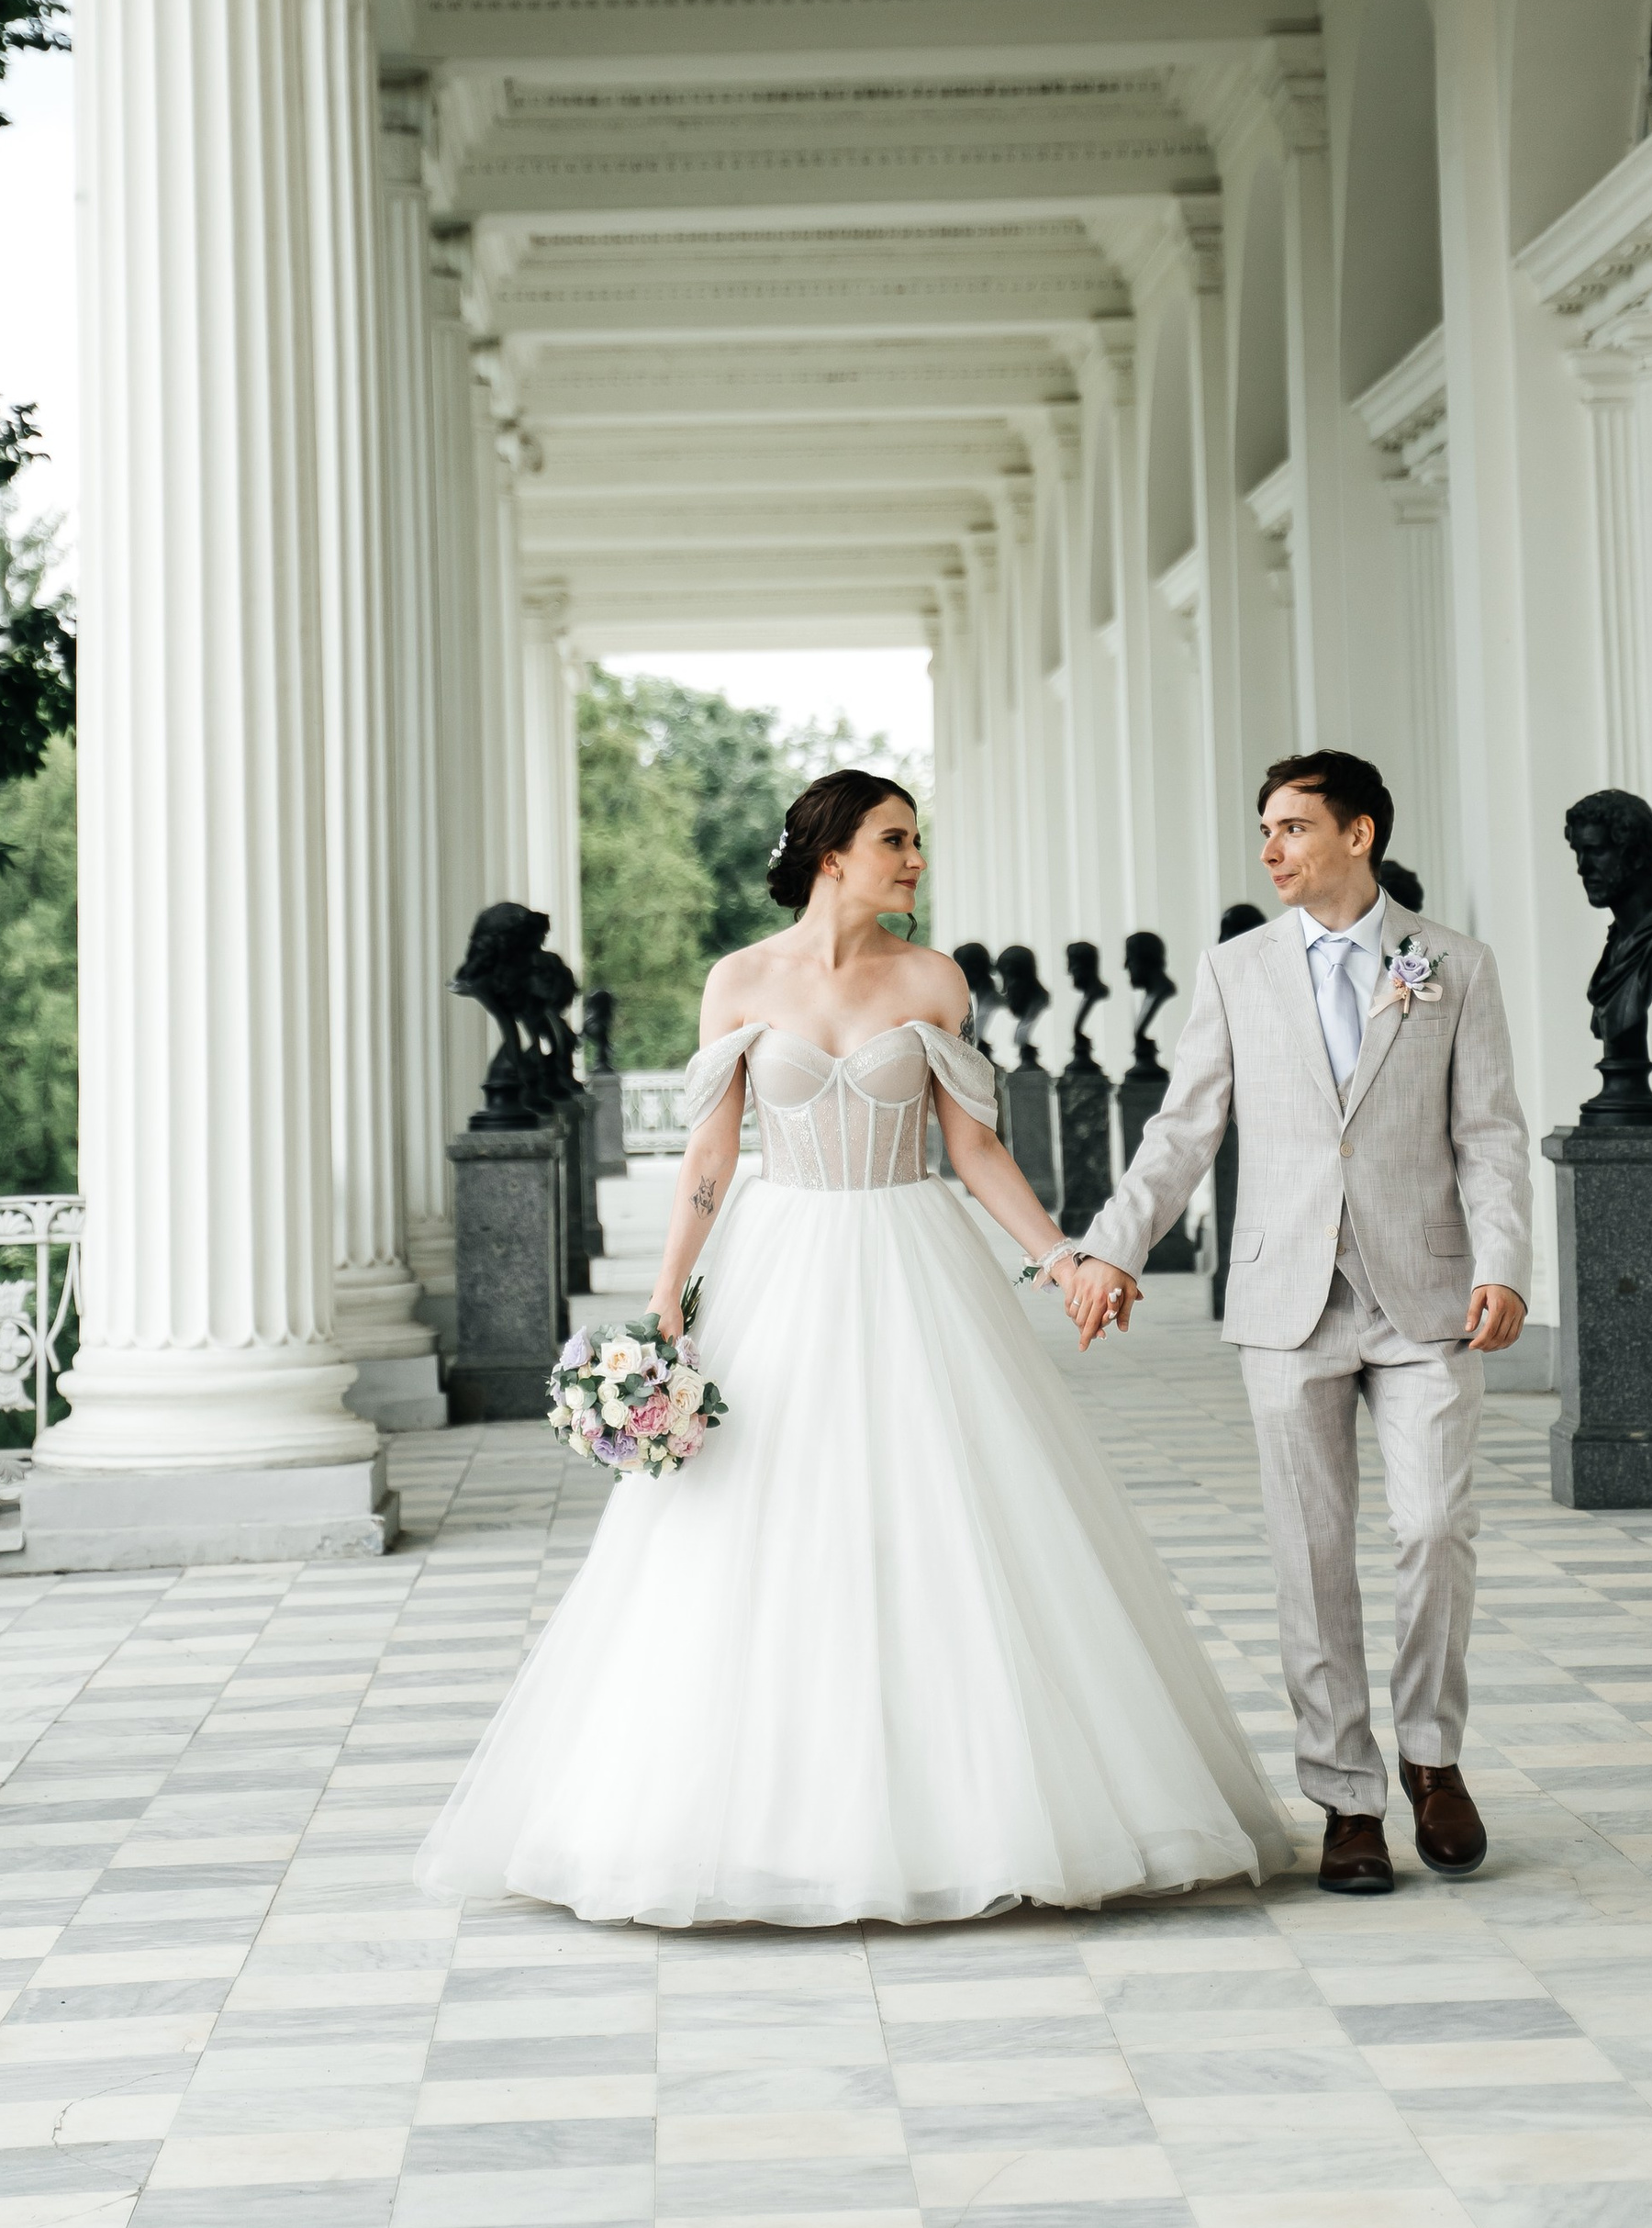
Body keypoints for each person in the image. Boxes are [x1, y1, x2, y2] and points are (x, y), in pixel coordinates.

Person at [416, 767, 1294, 1928]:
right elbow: (711, 1158)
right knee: (760, 1524)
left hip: (911, 1257)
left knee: (946, 1515)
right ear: (831, 851)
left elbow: (973, 1150)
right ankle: (757, 1824)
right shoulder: (738, 981)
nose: (914, 861)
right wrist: (668, 1296)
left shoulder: (932, 981)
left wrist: (1062, 1255)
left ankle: (976, 1812)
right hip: (782, 1262)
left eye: (916, 842)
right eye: (896, 841)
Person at [1068, 751, 1531, 1898]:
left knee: (1433, 1528)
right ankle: (1346, 1801)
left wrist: (1507, 1265)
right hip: (1286, 1302)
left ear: (1358, 834)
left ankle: (1433, 1759)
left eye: (1290, 828)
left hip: (1425, 1297)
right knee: (1310, 1558)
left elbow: (1489, 1134)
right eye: (1263, 829)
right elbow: (1182, 1131)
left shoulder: (1452, 965)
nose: (1270, 849)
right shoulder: (1235, 972)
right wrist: (1111, 1247)